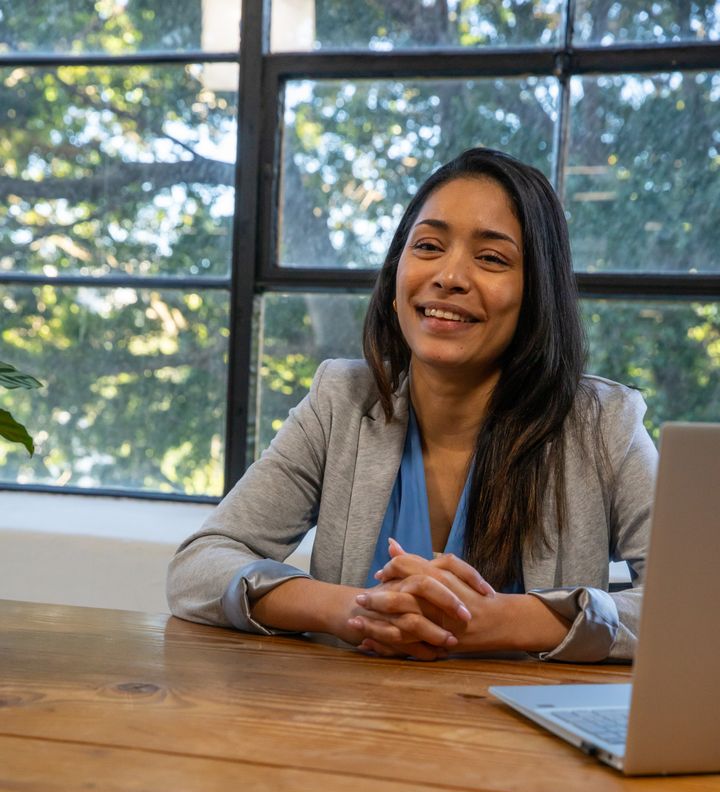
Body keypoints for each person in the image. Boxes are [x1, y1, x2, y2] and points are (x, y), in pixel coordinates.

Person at [167, 147, 657, 662]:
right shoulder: (341, 401)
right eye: (428, 246)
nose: (449, 276)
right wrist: (354, 610)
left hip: (523, 737)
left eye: (491, 258)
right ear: (396, 278)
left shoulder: (605, 423)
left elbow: (697, 605)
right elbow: (197, 568)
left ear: (537, 293)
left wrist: (502, 621)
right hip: (349, 725)